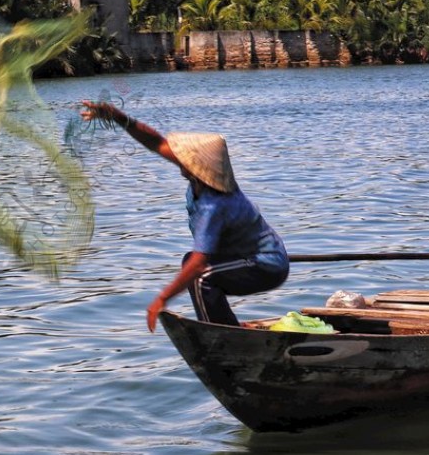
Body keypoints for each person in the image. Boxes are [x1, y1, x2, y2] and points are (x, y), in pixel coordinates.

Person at [80, 100, 289, 332]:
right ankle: (224, 326)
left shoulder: (214, 204)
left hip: (267, 265)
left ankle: (220, 333)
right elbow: (156, 142)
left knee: (201, 276)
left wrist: (161, 299)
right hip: (247, 256)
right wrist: (119, 117)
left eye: (186, 159)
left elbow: (199, 265)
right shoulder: (199, 179)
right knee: (189, 263)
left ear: (197, 167)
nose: (178, 159)